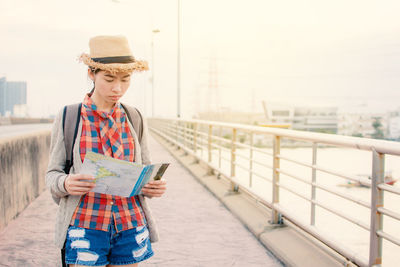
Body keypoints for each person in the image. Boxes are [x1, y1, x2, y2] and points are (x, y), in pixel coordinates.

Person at [45, 35, 167, 267]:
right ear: (91, 74)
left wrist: (153, 186)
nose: (118, 88)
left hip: (130, 224)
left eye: (125, 79)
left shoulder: (135, 117)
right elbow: (52, 175)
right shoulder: (69, 116)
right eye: (109, 78)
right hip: (85, 226)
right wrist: (66, 183)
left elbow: (144, 171)